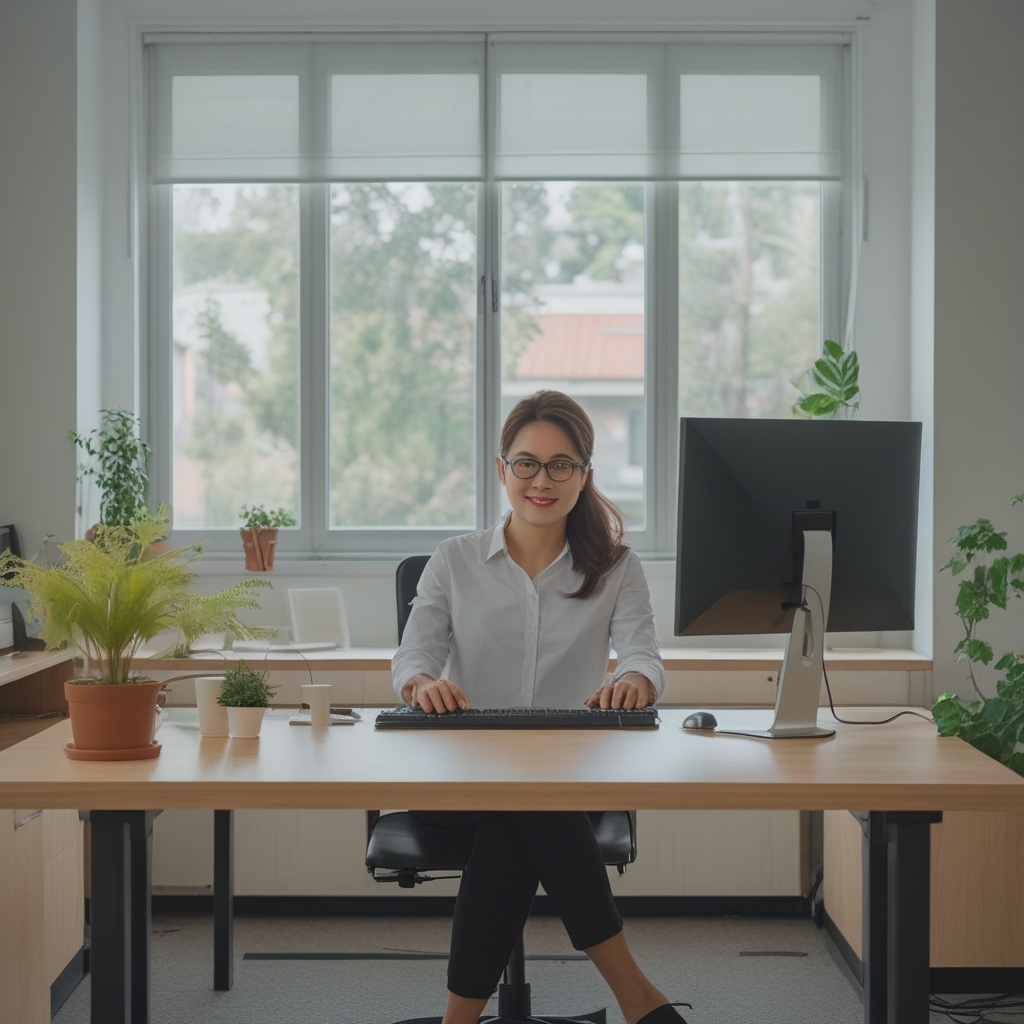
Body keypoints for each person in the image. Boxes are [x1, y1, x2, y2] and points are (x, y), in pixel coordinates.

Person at [391, 390, 688, 1024]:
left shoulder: (616, 569)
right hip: (459, 782)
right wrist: (423, 687)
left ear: (584, 476)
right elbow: (410, 660)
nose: (542, 480)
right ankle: (640, 1000)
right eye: (526, 463)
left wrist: (636, 680)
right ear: (502, 471)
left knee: (523, 811)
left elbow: (646, 657)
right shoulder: (454, 561)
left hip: (568, 781)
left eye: (561, 465)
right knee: (526, 809)